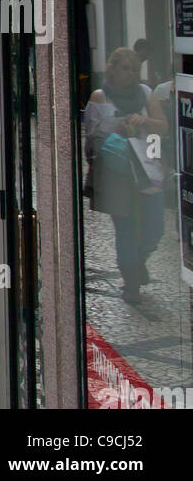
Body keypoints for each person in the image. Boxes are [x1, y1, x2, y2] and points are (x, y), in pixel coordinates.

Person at [85, 46, 168, 304]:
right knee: (126, 229)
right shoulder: (101, 97)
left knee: (155, 226)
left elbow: (163, 126)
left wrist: (144, 122)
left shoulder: (145, 93)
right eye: (125, 68)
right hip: (117, 173)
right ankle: (131, 282)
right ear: (112, 68)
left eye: (134, 69)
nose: (130, 74)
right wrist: (118, 132)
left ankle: (138, 261)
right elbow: (92, 137)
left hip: (146, 168)